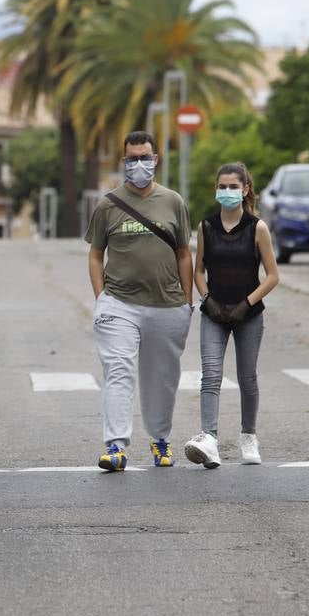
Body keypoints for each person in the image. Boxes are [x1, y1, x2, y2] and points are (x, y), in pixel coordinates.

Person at [85, 130, 194, 472]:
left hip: (167, 304)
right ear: (123, 162)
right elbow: (95, 254)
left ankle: (160, 439)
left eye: (144, 158)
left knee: (161, 377)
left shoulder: (173, 202)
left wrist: (188, 301)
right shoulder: (107, 205)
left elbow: (183, 253)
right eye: (132, 159)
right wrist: (102, 297)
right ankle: (116, 446)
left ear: (156, 159)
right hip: (120, 304)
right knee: (118, 370)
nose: (139, 165)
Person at [183, 163, 281, 468]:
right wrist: (207, 298)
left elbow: (273, 276)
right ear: (215, 190)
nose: (227, 192)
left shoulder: (257, 228)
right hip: (214, 312)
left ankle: (248, 436)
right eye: (222, 187)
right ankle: (208, 438)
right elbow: (198, 270)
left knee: (246, 377)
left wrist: (246, 304)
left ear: (245, 189)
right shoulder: (206, 227)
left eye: (233, 187)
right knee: (210, 375)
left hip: (247, 314)